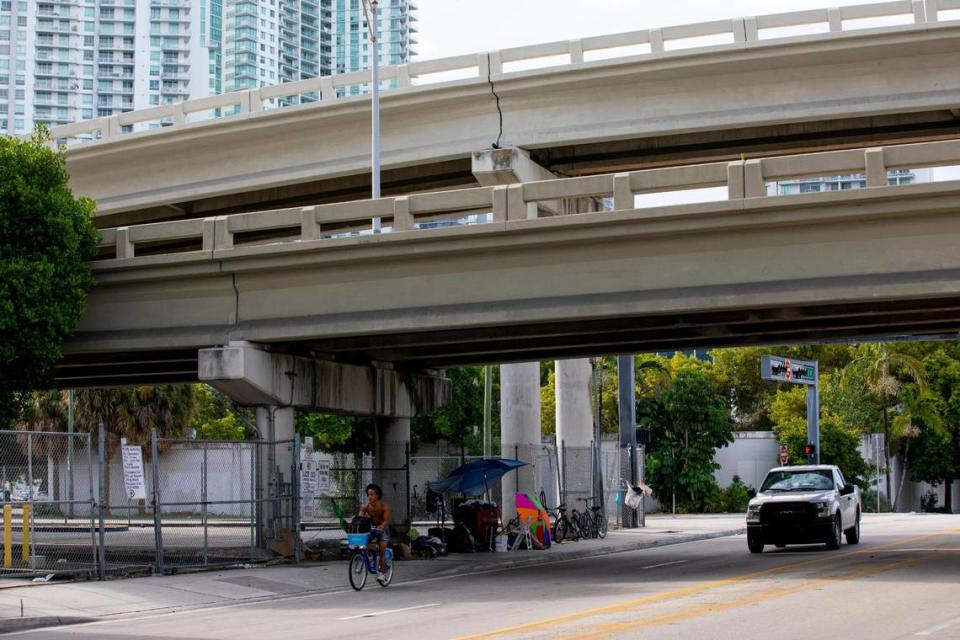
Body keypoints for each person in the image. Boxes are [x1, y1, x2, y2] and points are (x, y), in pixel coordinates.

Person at [359, 483, 391, 584]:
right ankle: (369, 557)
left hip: (383, 530)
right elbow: (359, 518)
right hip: (372, 529)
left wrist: (382, 526)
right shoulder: (366, 507)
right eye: (368, 495)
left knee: (381, 551)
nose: (370, 497)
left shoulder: (384, 506)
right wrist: (358, 523)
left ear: (377, 495)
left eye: (372, 494)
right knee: (363, 544)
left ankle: (382, 574)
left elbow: (386, 520)